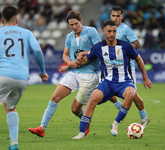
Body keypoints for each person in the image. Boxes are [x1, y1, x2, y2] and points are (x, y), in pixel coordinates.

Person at [28, 10, 121, 138]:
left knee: (74, 109)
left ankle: (88, 118)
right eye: (71, 25)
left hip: (89, 74)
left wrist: (84, 57)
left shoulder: (91, 31)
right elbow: (65, 55)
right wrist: (70, 63)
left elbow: (99, 49)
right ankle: (42, 128)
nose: (74, 27)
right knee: (55, 96)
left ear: (81, 21)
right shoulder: (69, 36)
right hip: (74, 72)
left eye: (76, 23)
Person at [72, 20, 152, 139]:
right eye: (109, 31)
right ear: (104, 32)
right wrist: (77, 61)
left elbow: (138, 59)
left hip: (124, 82)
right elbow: (87, 59)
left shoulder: (125, 46)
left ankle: (115, 123)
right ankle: (81, 133)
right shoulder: (99, 47)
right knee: (93, 98)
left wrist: (145, 78)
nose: (111, 34)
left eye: (114, 31)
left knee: (131, 93)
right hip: (107, 83)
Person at [0, 6, 49, 150]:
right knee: (10, 107)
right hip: (22, 78)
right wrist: (42, 71)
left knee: (9, 107)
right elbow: (38, 51)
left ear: (2, 20)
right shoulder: (26, 33)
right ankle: (14, 143)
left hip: (4, 74)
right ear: (17, 19)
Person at [109, 6, 150, 126]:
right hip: (112, 67)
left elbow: (137, 44)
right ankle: (120, 108)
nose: (115, 18)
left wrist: (124, 49)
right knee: (107, 88)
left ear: (122, 16)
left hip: (127, 68)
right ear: (110, 16)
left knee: (132, 94)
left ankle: (143, 117)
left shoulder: (126, 29)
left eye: (118, 16)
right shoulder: (109, 29)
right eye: (113, 16)